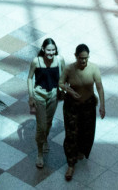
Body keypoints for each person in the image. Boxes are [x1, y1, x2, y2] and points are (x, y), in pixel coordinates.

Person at [59, 44, 105, 181]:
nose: (83, 61)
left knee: (87, 131)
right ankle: (70, 164)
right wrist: (70, 90)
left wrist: (102, 105)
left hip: (88, 105)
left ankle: (81, 150)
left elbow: (99, 87)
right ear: (76, 56)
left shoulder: (94, 68)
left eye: (86, 58)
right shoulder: (69, 69)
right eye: (81, 58)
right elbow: (61, 83)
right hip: (72, 105)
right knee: (71, 133)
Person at [27, 38, 65, 168]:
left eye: (53, 50)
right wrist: (31, 96)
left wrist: (63, 90)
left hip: (53, 95)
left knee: (48, 122)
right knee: (41, 126)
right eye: (49, 50)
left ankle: (44, 140)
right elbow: (30, 78)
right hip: (39, 95)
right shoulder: (36, 61)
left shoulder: (59, 60)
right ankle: (39, 153)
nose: (51, 53)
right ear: (43, 49)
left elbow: (64, 77)